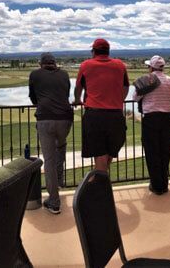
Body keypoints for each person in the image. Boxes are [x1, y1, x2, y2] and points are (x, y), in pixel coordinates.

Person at [132, 56, 170, 195]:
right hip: (166, 119)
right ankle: (164, 183)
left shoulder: (147, 80)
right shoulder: (169, 80)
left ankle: (157, 186)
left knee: (152, 152)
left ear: (151, 67)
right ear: (162, 67)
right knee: (164, 151)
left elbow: (135, 98)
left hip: (150, 119)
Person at [74, 38, 130, 172]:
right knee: (109, 153)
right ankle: (100, 182)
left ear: (93, 51)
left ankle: (100, 188)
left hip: (94, 115)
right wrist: (119, 100)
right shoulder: (120, 65)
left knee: (100, 155)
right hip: (116, 115)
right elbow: (126, 87)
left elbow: (78, 88)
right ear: (108, 51)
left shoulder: (86, 65)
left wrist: (77, 100)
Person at [28, 52, 73, 214]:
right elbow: (66, 94)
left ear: (41, 64)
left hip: (45, 118)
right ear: (55, 63)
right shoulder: (64, 74)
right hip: (66, 118)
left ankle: (54, 201)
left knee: (49, 159)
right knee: (60, 147)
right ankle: (59, 181)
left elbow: (33, 97)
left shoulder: (34, 74)